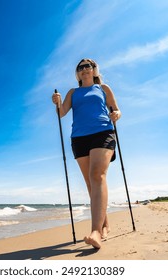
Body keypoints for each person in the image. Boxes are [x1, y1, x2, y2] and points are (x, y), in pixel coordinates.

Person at [52, 58, 121, 249]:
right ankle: (105, 225)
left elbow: (116, 109)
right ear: (77, 73)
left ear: (94, 70)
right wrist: (57, 103)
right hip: (79, 137)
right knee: (91, 184)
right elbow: (62, 113)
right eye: (80, 67)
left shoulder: (103, 88)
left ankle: (96, 232)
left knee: (97, 175)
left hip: (103, 132)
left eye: (88, 66)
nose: (84, 69)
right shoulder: (73, 92)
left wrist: (116, 114)